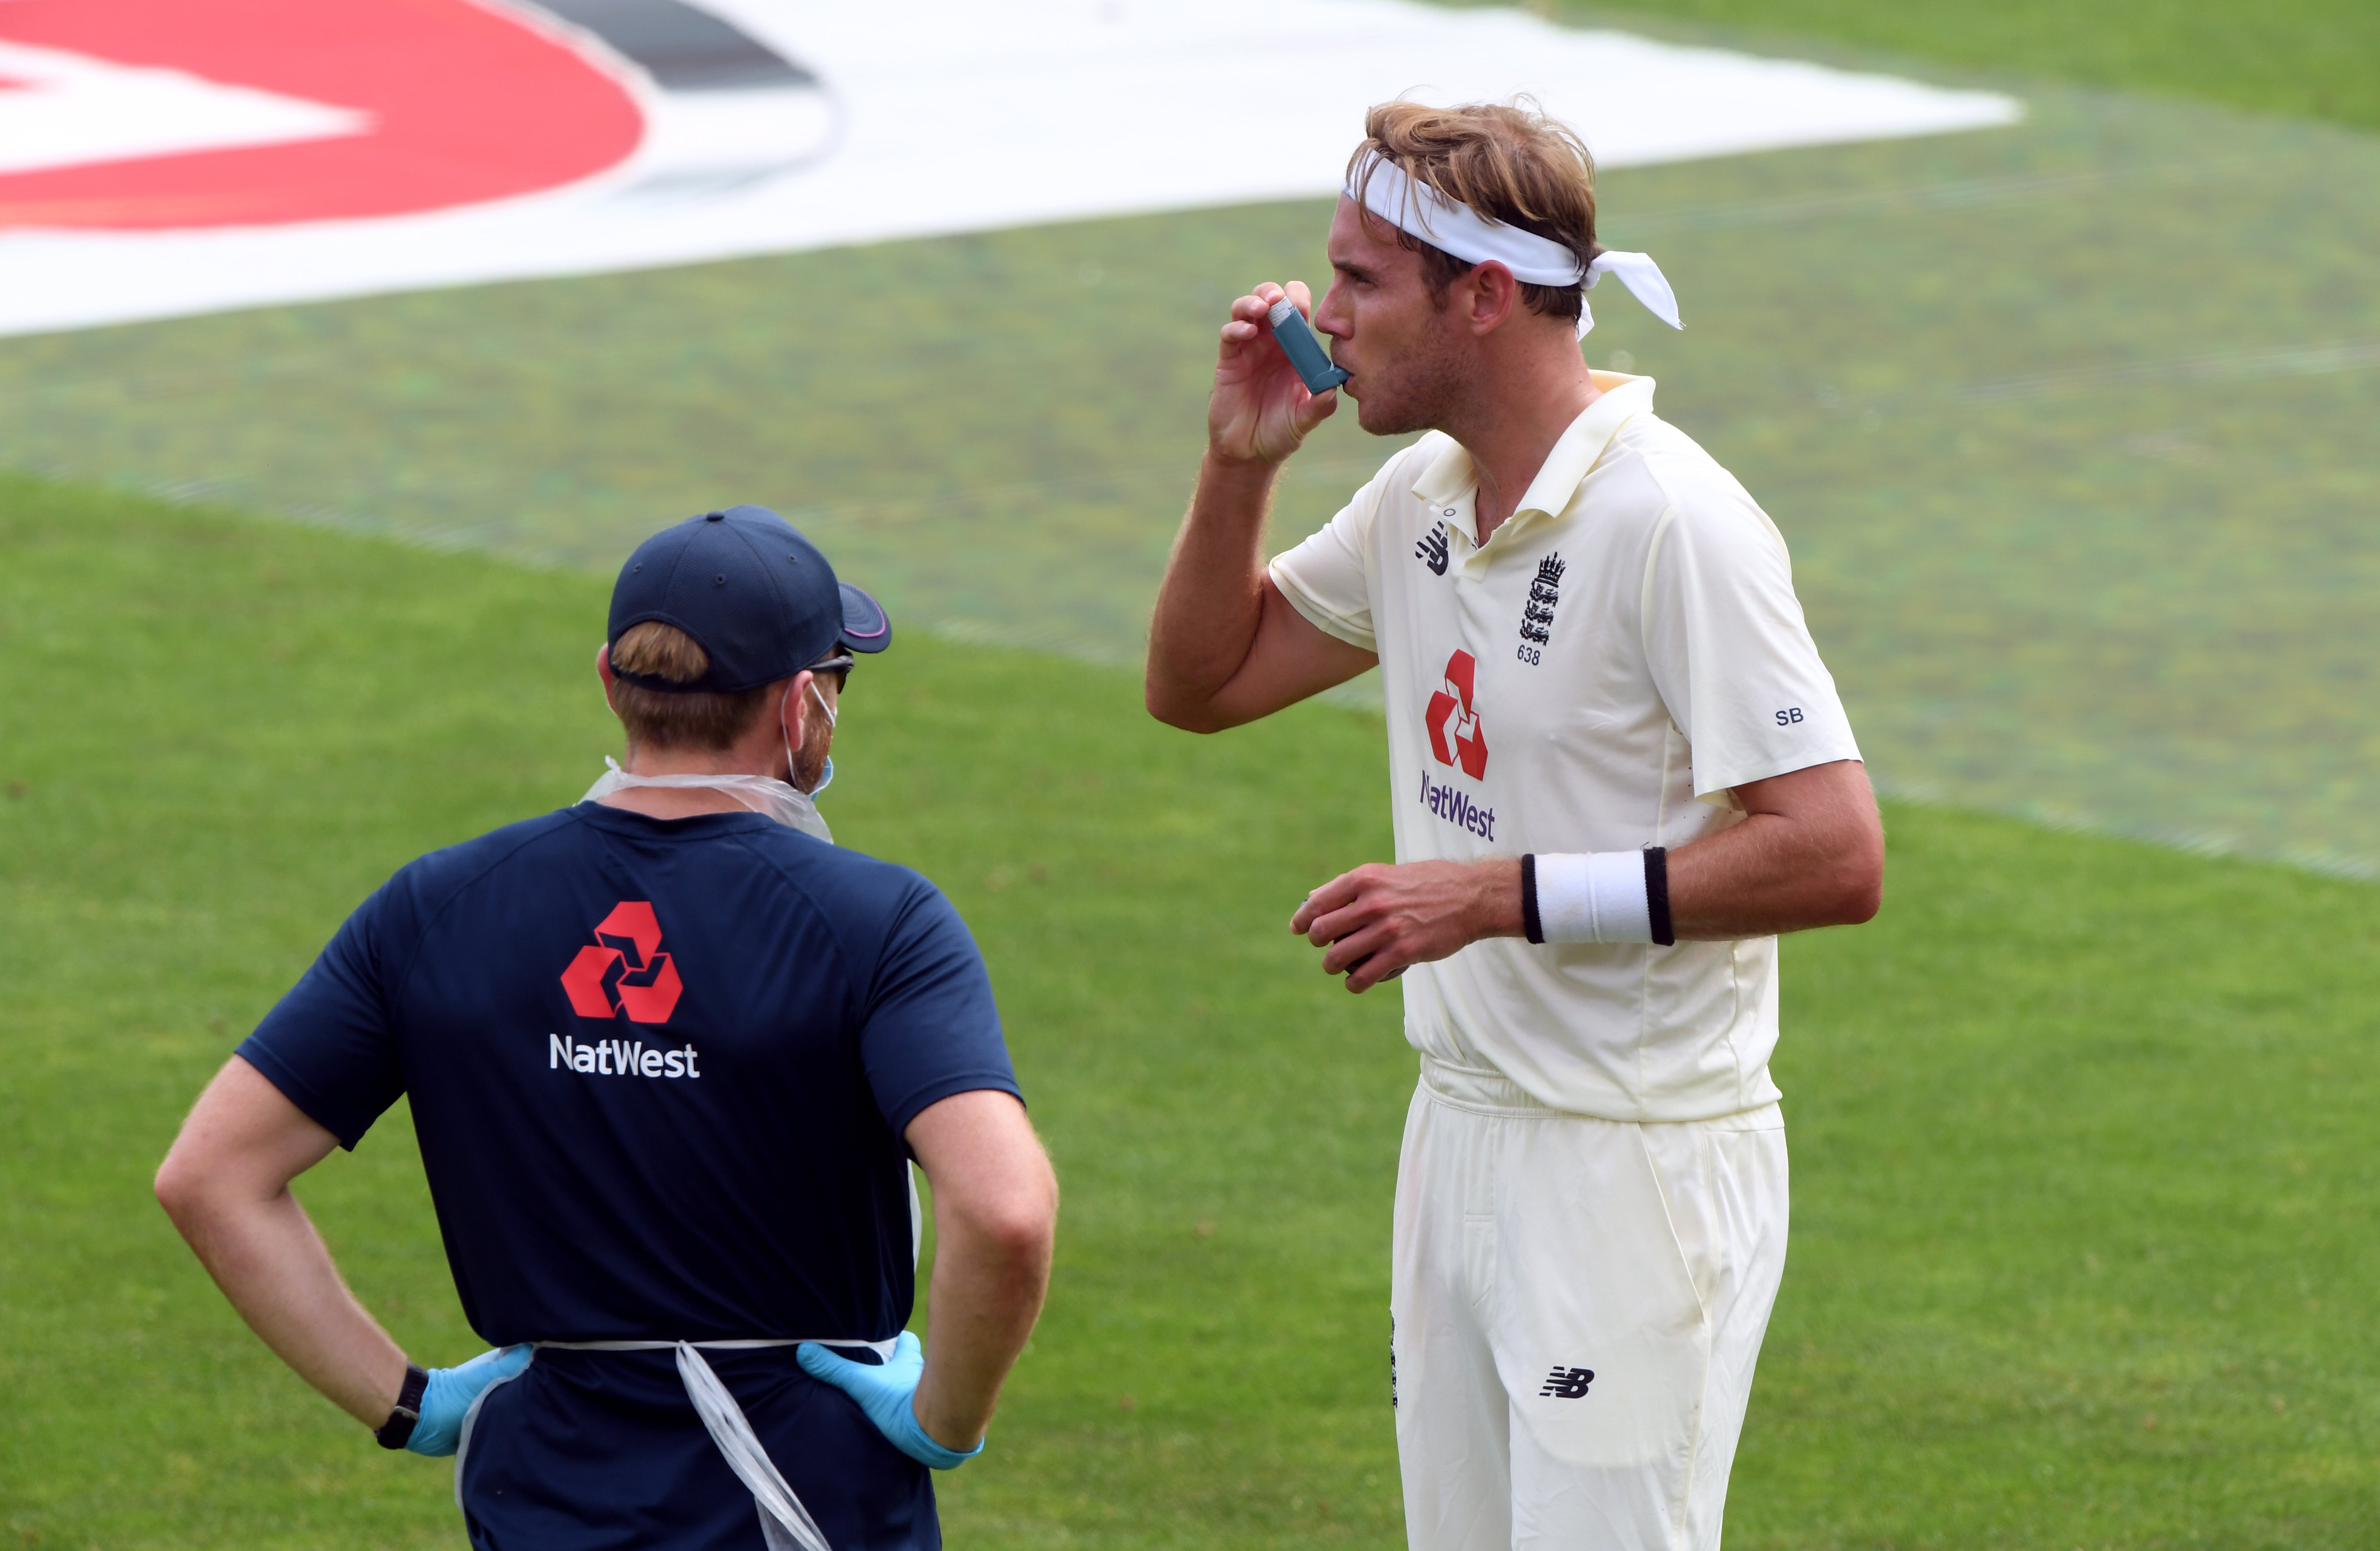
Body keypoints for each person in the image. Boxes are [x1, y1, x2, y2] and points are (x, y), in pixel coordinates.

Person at [1145, 102, 1883, 1550]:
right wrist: (1239, 463)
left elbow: (1833, 849)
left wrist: (1497, 896)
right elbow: (1202, 682)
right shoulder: (1419, 492)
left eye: (1360, 281)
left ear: (1479, 298)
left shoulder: (1675, 521)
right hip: (1461, 1129)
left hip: (1632, 1160)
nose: (1322, 314)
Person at [157, 505, 1057, 1551]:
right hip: (807, 1495)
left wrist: (410, 1403)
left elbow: (211, 1175)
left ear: (609, 678)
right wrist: (942, 1423)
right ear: (800, 704)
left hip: (540, 1489)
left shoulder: (437, 905)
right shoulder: (882, 921)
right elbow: (1004, 1213)